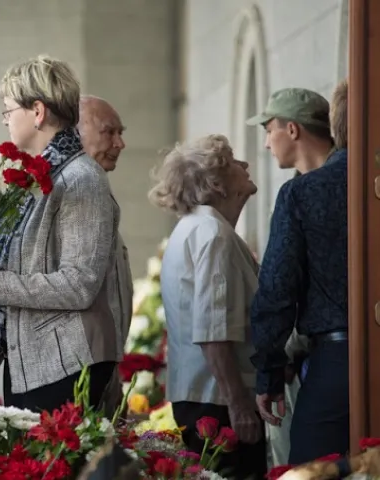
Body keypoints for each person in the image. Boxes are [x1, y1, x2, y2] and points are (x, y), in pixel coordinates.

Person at [0, 55, 120, 412]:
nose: (5, 119)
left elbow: (80, 284)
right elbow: (28, 255)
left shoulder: (81, 178)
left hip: (66, 364)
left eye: (8, 110)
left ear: (37, 111)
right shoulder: (43, 175)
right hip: (35, 361)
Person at [150, 134, 265, 479]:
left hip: (203, 396)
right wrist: (240, 404)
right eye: (233, 163)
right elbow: (212, 332)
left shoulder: (194, 228)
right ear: (216, 184)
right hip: (219, 401)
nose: (245, 165)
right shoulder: (213, 233)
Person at [250, 85, 349, 464]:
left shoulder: (300, 194)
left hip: (336, 361)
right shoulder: (362, 180)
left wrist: (269, 375)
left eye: (268, 129)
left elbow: (276, 291)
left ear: (292, 130)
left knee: (310, 467)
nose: (266, 143)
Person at [77, 95, 133, 415]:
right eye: (109, 132)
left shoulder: (98, 190)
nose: (120, 143)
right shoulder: (75, 192)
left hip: (104, 364)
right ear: (76, 133)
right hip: (80, 366)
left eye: (120, 132)